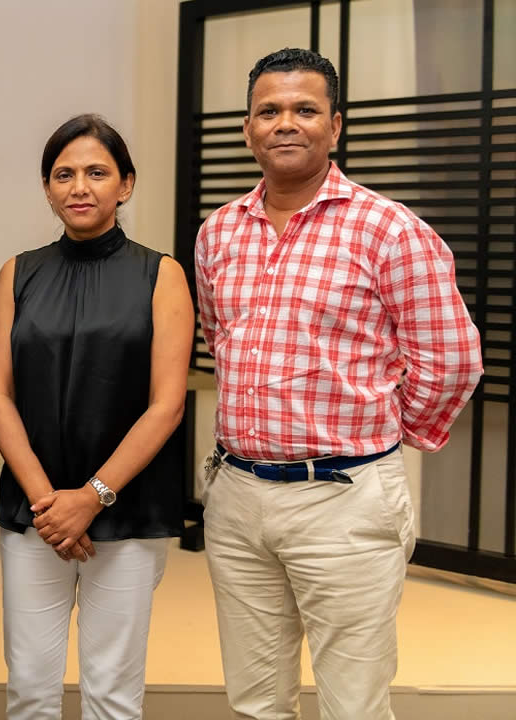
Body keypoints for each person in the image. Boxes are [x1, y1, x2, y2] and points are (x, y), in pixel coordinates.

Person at [195, 48, 483, 720]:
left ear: (336, 126)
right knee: (255, 700)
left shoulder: (389, 229)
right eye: (269, 111)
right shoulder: (218, 234)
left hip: (346, 500)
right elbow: (220, 341)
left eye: (304, 109)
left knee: (352, 704)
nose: (285, 123)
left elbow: (451, 360)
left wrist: (385, 433)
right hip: (237, 497)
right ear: (248, 129)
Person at [0, 114, 193, 720]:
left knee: (113, 692)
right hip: (37, 514)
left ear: (125, 185)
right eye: (64, 174)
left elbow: (167, 404)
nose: (80, 186)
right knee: (28, 686)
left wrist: (93, 496)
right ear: (48, 188)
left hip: (127, 509)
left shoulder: (162, 274)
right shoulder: (17, 273)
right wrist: (51, 502)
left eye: (97, 172)